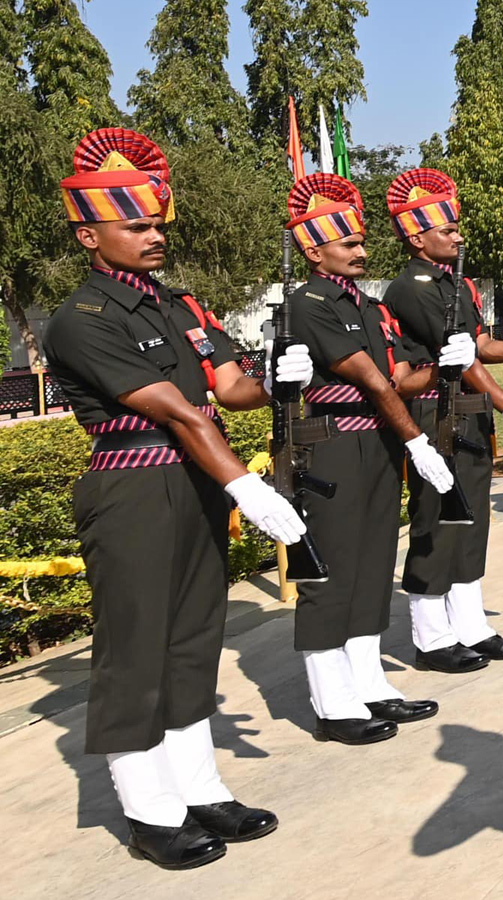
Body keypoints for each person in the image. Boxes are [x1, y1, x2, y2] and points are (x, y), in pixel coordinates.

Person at [44, 128, 311, 869]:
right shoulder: (81, 320)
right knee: (137, 649)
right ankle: (149, 808)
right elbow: (179, 412)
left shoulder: (178, 304)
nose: (154, 235)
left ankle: (197, 786)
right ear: (89, 235)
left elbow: (228, 390)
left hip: (195, 482)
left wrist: (280, 378)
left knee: (194, 640)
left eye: (158, 222)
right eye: (136, 226)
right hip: (135, 487)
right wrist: (245, 484)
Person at [285, 173, 455, 745]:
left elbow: (404, 377)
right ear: (314, 251)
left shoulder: (372, 306)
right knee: (331, 571)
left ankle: (368, 682)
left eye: (361, 242)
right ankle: (332, 702)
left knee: (372, 562)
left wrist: (447, 366)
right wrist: (417, 441)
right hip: (334, 443)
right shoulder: (308, 303)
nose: (362, 251)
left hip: (376, 442)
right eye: (348, 244)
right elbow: (374, 380)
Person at [383, 169, 503, 672]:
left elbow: (479, 346)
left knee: (471, 520)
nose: (458, 236)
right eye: (447, 230)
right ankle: (431, 636)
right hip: (435, 412)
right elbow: (458, 359)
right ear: (416, 237)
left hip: (466, 412)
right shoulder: (412, 288)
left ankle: (471, 625)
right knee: (437, 520)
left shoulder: (454, 284)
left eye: (457, 228)